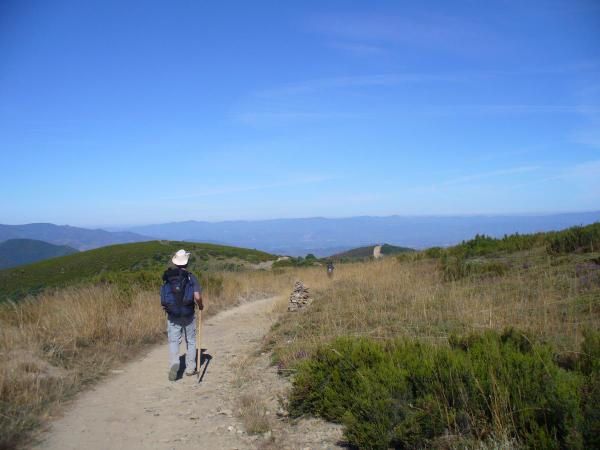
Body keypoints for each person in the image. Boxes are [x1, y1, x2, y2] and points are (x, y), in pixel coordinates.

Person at [160, 249, 203, 381]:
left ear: (175, 262)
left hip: (173, 314)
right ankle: (190, 368)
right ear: (187, 262)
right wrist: (200, 305)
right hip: (188, 313)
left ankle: (174, 363)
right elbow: (197, 296)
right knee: (190, 340)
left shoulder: (169, 277)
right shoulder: (191, 277)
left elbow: (164, 297)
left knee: (174, 341)